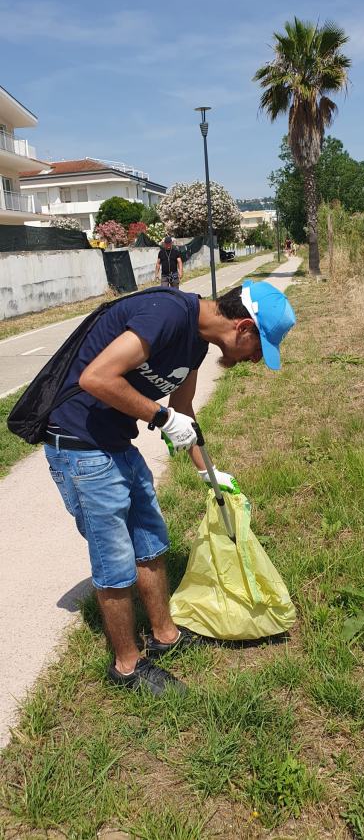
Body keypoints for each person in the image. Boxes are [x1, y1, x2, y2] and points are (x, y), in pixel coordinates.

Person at [44, 281, 296, 695]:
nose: (253, 359)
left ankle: (165, 637)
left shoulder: (194, 343)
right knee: (115, 557)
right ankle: (127, 666)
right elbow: (95, 378)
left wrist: (208, 472)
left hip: (114, 441)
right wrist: (160, 420)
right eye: (258, 348)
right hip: (79, 445)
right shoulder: (165, 315)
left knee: (151, 540)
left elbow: (183, 409)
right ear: (244, 327)